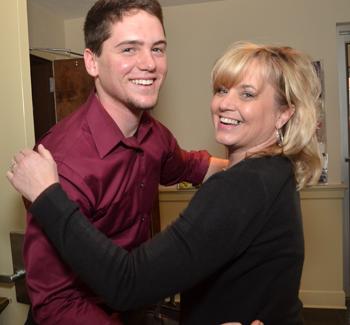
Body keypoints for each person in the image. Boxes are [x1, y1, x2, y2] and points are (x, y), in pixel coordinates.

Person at [8, 41, 322, 324]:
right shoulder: (277, 170)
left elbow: (127, 284)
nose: (226, 103)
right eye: (222, 90)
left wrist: (47, 195)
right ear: (94, 63)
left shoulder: (239, 186)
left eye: (248, 94)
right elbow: (187, 166)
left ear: (283, 114)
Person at [20, 0, 228, 325]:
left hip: (133, 305)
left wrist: (252, 169)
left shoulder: (155, 135)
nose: (149, 63)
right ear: (92, 62)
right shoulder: (63, 162)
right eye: (129, 48)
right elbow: (56, 303)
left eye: (157, 49)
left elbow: (190, 165)